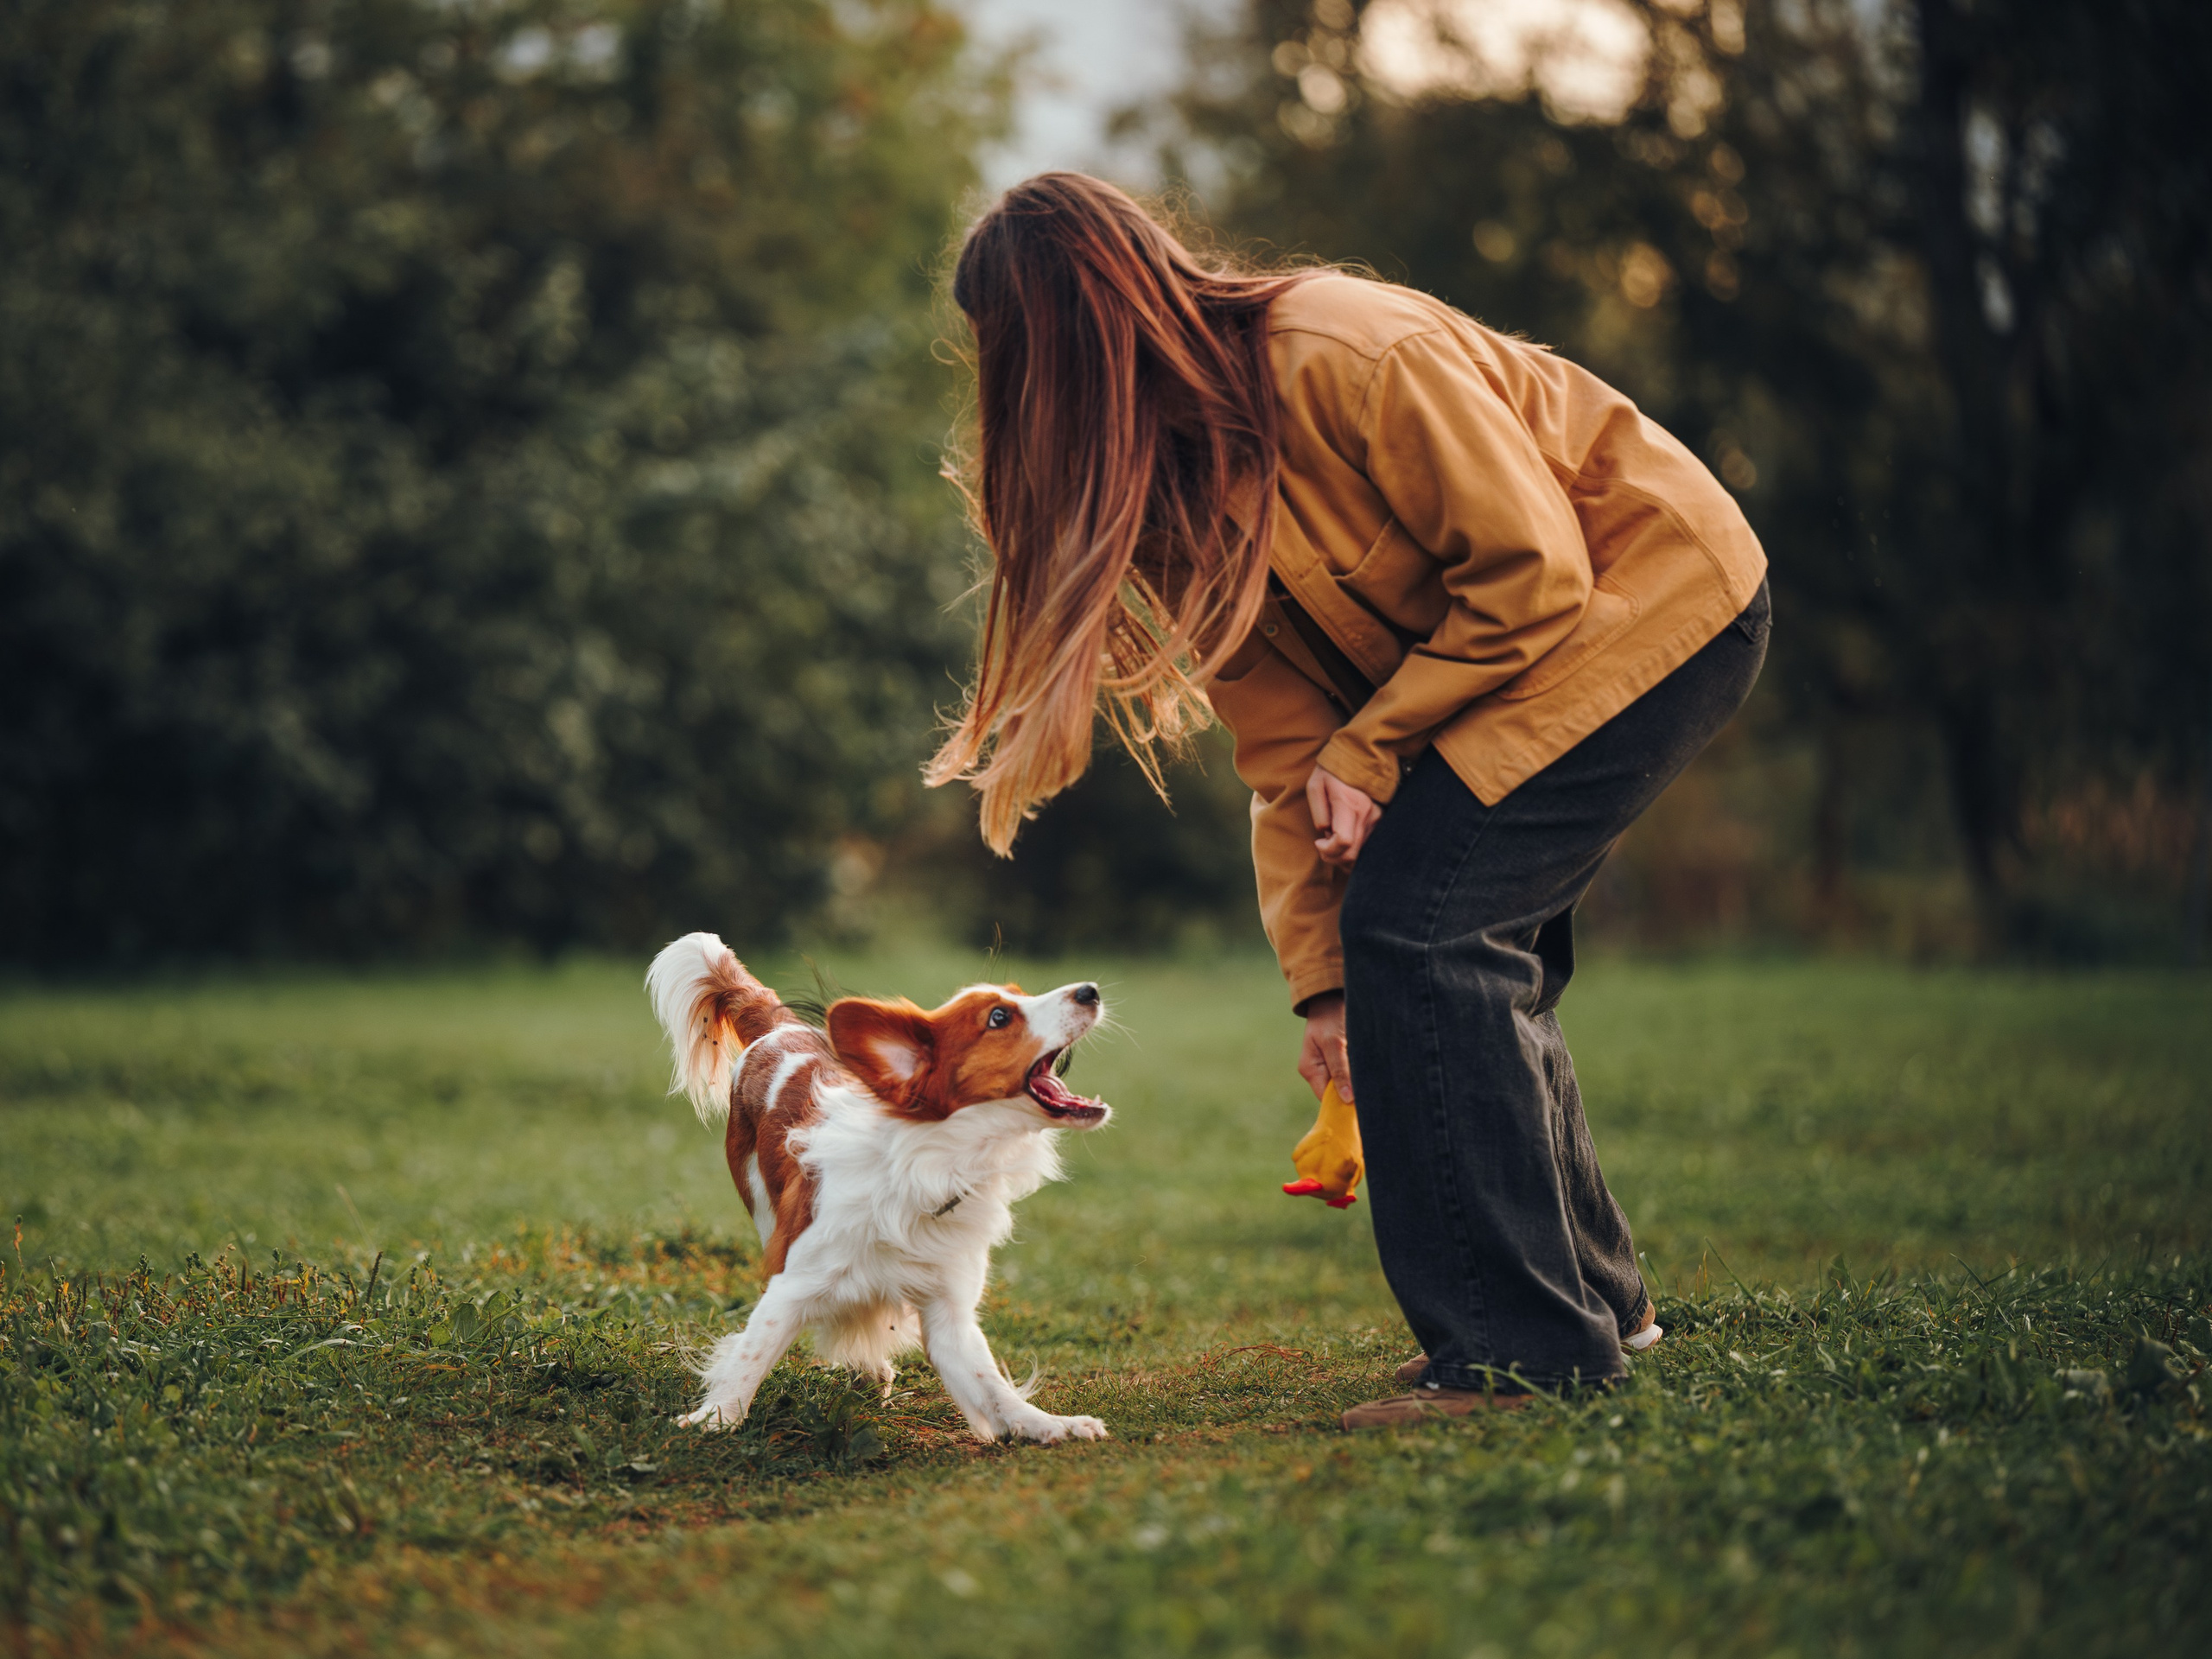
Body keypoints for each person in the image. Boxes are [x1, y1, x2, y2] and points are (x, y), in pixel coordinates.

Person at [927, 174, 1768, 1427]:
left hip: (1649, 602)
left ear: (1076, 334)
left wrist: (1375, 754)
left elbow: (1536, 579)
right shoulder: (1172, 487)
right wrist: (1324, 989)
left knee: (1430, 930)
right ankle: (1597, 1305)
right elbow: (1288, 758)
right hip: (1509, 665)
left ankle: (1522, 1351)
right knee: (1433, 937)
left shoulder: (1344, 351)